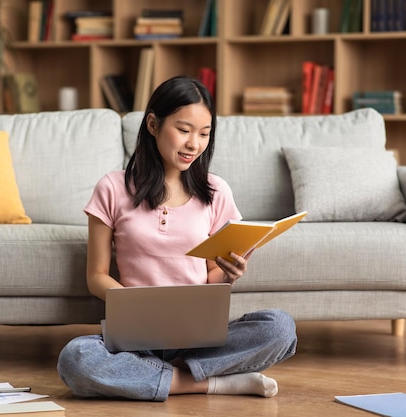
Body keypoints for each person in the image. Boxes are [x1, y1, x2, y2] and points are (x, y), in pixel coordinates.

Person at [57, 76, 297, 401]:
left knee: (280, 327)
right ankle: (210, 382)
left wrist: (228, 273)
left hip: (196, 335)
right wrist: (137, 306)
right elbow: (96, 276)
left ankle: (158, 378)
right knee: (75, 357)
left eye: (204, 134)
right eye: (184, 130)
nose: (194, 144)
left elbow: (211, 278)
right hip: (136, 334)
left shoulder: (215, 192)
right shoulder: (113, 187)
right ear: (153, 124)